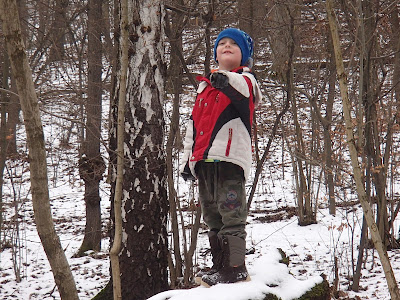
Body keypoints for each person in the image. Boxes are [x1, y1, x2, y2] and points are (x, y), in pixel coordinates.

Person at [180, 27, 262, 287]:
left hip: (229, 161)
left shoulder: (245, 80)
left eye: (233, 45)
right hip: (204, 162)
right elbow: (193, 127)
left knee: (231, 212)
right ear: (215, 52)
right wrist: (187, 161)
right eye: (222, 43)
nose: (226, 47)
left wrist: (226, 80)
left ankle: (236, 267)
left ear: (244, 55)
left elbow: (247, 93)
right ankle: (220, 267)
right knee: (212, 215)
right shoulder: (205, 88)